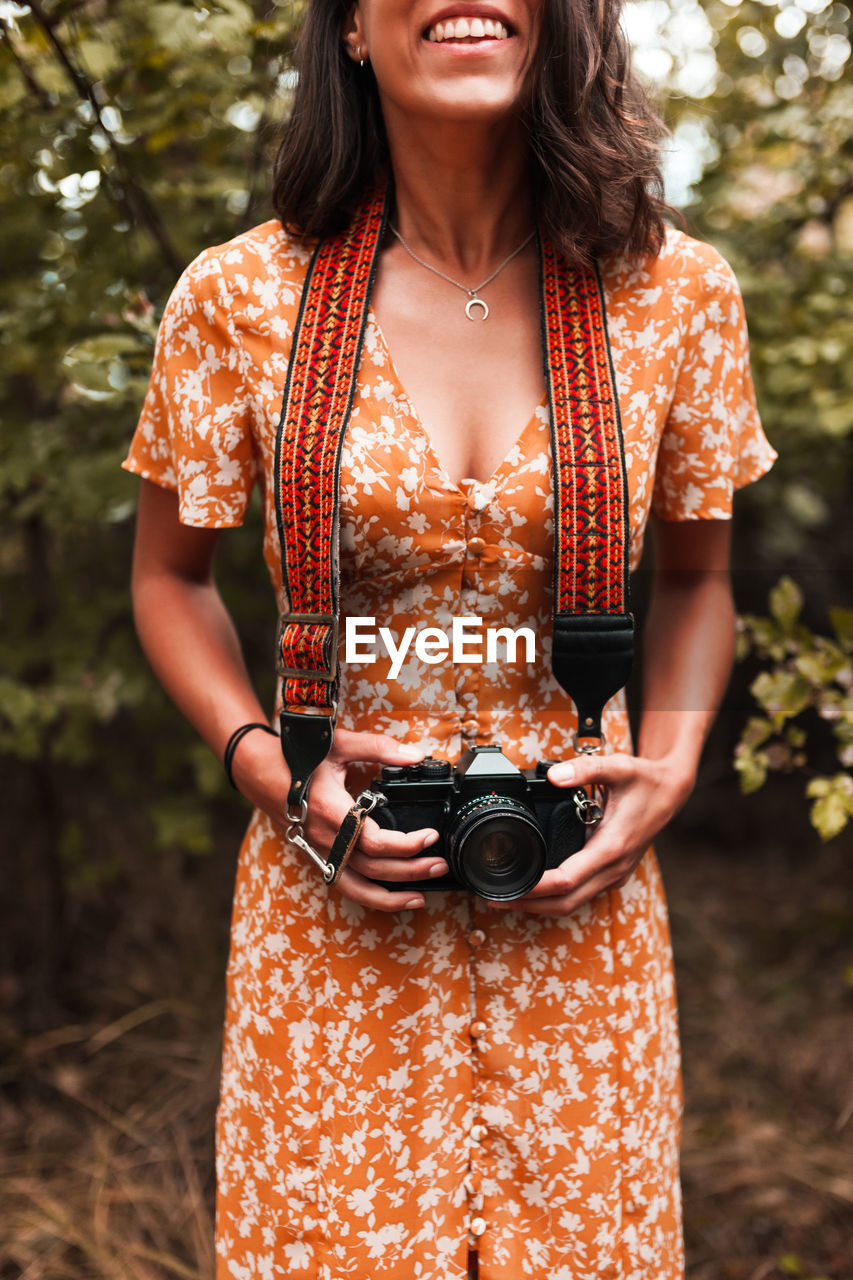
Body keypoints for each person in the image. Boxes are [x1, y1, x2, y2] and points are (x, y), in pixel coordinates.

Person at [124, 0, 776, 1276]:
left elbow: (699, 577)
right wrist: (264, 759)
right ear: (353, 29)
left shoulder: (673, 292)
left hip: (579, 917)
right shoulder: (240, 296)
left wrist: (675, 762)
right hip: (331, 923)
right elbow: (166, 576)